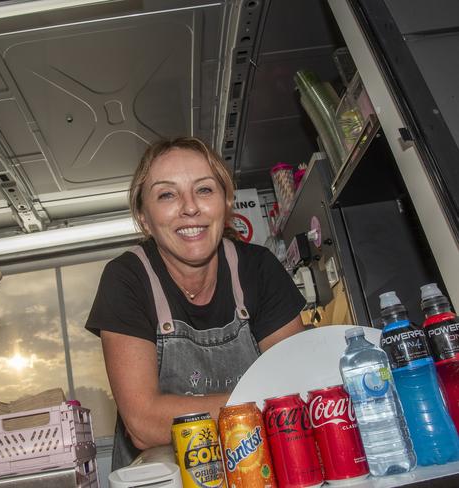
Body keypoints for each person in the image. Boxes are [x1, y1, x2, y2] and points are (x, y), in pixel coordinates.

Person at [85, 137, 305, 470]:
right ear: (144, 217)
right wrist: (261, 402)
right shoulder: (126, 279)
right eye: (167, 194)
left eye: (204, 190)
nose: (190, 207)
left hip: (254, 467)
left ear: (226, 202)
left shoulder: (259, 269)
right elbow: (144, 424)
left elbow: (296, 387)